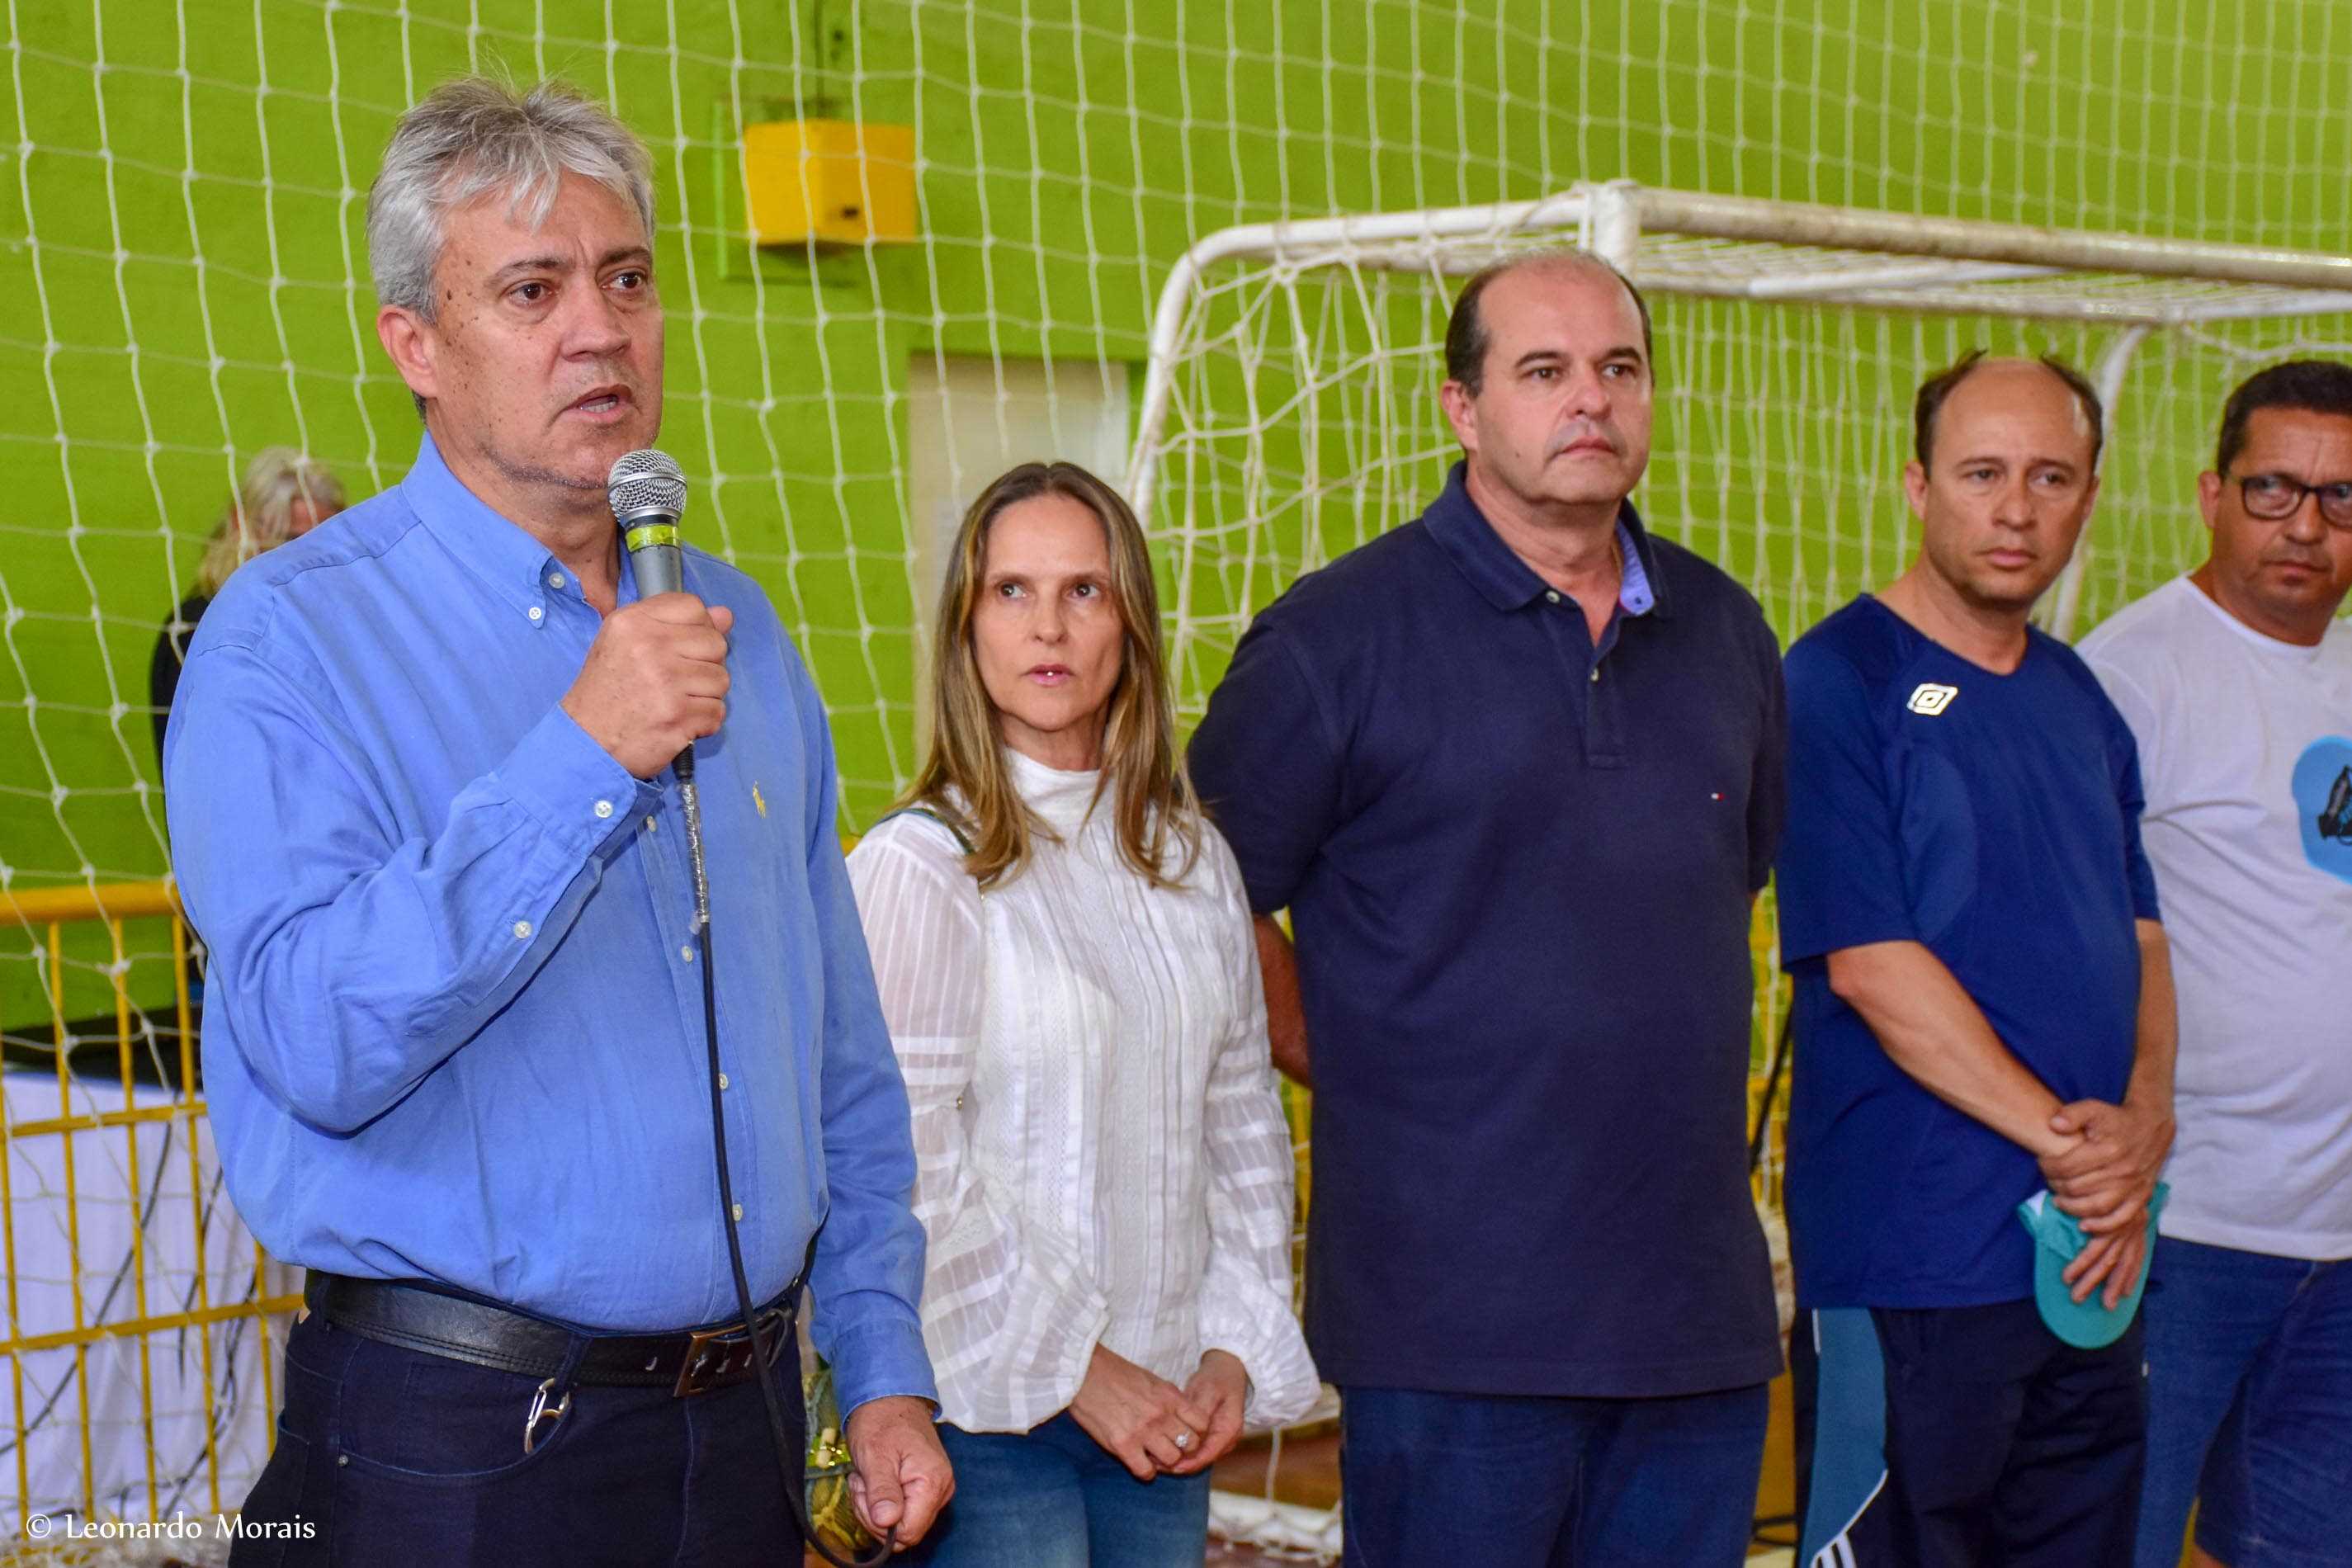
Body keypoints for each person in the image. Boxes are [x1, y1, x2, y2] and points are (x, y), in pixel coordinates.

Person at [163, 76, 949, 1562]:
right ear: (417, 347)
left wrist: (882, 1359)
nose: (601, 328)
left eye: (628, 278)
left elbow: (837, 1049)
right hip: (451, 1449)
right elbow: (312, 1038)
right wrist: (583, 751)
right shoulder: (286, 642)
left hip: (751, 1432)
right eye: (532, 289)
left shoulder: (741, 628)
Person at [1189, 248, 1788, 1567]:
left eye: (1618, 369)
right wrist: (1340, 1053)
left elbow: (1712, 889)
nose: (1591, 401)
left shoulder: (1728, 632)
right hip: (1449, 1323)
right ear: (1462, 408)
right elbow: (1194, 902)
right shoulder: (1334, 641)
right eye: (1543, 371)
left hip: (1691, 1319)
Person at [848, 461, 1318, 1568]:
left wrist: (1229, 1351)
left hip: (1165, 1410)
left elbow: (1240, 1122)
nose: (1047, 626)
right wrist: (1079, 1369)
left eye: (1084, 591)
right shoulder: (922, 866)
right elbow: (906, 1168)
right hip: (985, 1412)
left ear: (1130, 627)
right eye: (1012, 591)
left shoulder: (1192, 860)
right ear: (967, 626)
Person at [1778, 352, 2175, 1567]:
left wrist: (2145, 1128)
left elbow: (2144, 941)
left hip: (2090, 1261)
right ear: (1916, 486)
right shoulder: (1831, 681)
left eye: (2049, 477)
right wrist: (2074, 1147)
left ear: (2090, 496)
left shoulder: (2078, 699)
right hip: (1913, 1263)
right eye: (1981, 474)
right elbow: (1870, 968)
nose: (2015, 511)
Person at [2076, 359, 2352, 1568]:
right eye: (2272, 489)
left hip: (2338, 1243)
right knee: (2108, 1543)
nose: (2304, 526)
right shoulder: (2127, 677)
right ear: (2209, 493)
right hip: (2182, 1231)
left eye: (2340, 498)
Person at [149, 447, 346, 759]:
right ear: (241, 527)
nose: (310, 561)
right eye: (289, 540)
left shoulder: (334, 624)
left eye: (325, 541)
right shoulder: (195, 630)